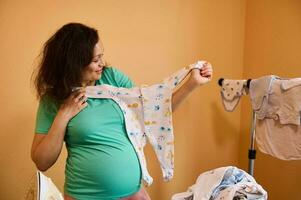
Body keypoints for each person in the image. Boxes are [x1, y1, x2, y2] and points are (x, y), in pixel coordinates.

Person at [31, 22, 213, 200]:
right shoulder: (54, 99)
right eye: (95, 60)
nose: (102, 63)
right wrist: (63, 115)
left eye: (101, 56)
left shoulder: (112, 79)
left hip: (133, 194)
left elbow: (155, 112)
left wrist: (192, 84)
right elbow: (42, 161)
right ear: (74, 64)